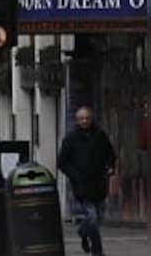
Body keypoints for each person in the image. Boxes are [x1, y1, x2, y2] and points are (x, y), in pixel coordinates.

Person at [58, 106, 117, 255]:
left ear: (92, 119)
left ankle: (83, 232)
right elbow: (62, 162)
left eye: (87, 118)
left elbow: (110, 153)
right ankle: (97, 251)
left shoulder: (100, 135)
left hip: (99, 183)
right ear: (77, 121)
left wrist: (110, 166)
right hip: (82, 184)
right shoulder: (71, 138)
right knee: (92, 217)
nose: (84, 121)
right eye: (81, 119)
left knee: (98, 218)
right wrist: (75, 175)